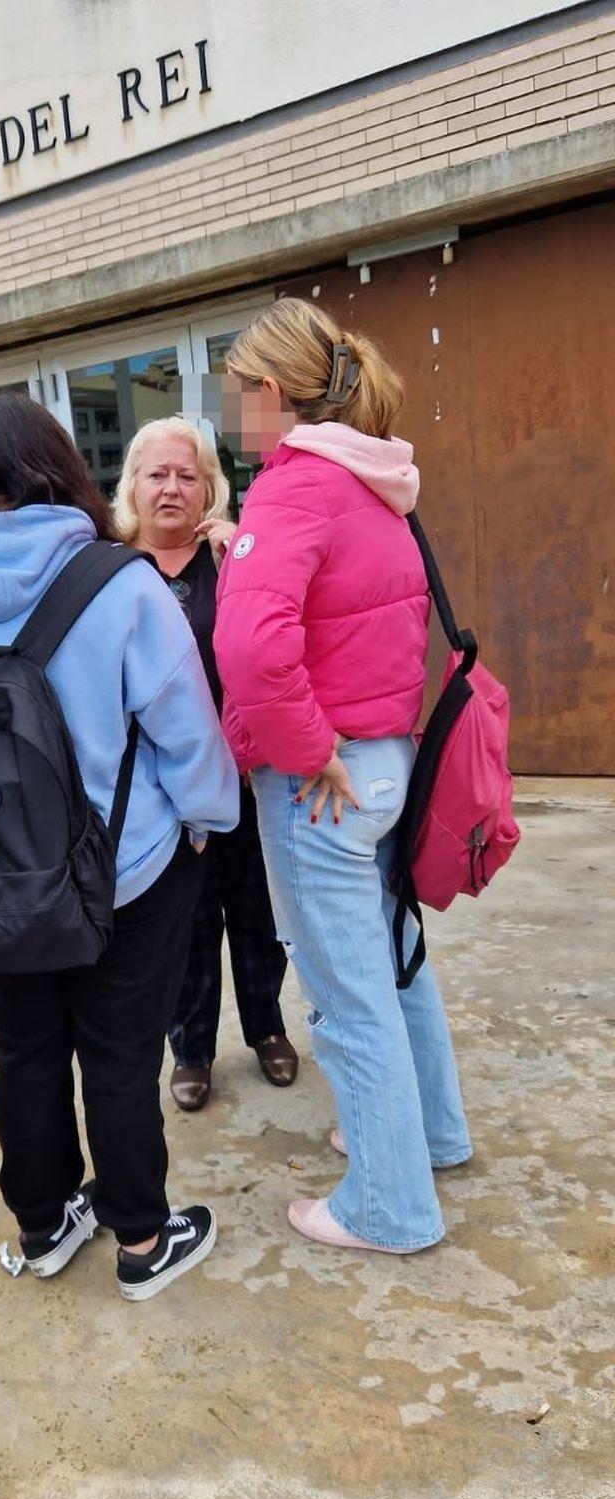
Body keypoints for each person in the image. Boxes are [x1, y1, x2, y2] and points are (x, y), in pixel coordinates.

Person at [0, 390, 240, 1300]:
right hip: (130, 868)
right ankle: (143, 1241)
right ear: (62, 468)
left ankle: (43, 1225)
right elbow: (185, 727)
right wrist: (205, 822)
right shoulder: (120, 582)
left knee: (25, 1047)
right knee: (119, 1051)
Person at [214, 297, 472, 1253]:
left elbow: (249, 645)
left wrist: (308, 747)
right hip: (389, 762)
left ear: (270, 392)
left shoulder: (295, 485)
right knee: (396, 967)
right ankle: (429, 1136)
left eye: (237, 393)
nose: (232, 413)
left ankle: (388, 1204)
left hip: (324, 781)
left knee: (345, 993)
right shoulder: (375, 481)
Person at [113, 419, 295, 1112]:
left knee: (255, 909)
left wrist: (242, 554)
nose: (171, 488)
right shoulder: (113, 568)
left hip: (242, 776)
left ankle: (266, 1026)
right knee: (182, 922)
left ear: (209, 488)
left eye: (187, 475)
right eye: (157, 474)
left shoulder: (230, 559)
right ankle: (190, 1049)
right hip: (156, 792)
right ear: (133, 484)